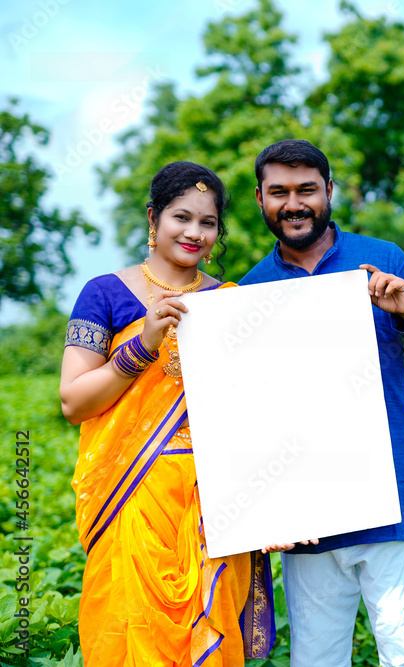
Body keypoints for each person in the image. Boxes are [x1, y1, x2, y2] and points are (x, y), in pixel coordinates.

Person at [240, 139, 404, 667]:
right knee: (317, 659)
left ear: (329, 191)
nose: (294, 204)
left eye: (307, 190)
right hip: (307, 521)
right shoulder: (249, 291)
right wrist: (266, 509)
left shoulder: (383, 259)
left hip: (390, 505)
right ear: (261, 199)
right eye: (279, 192)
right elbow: (248, 417)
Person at [60, 162, 283, 666]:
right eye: (182, 217)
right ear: (153, 218)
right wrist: (142, 345)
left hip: (215, 503)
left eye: (208, 223)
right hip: (132, 495)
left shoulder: (229, 302)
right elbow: (74, 402)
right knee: (132, 630)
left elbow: (251, 416)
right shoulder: (105, 293)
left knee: (210, 635)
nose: (195, 233)